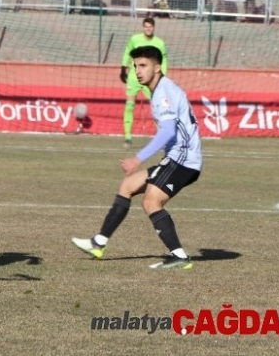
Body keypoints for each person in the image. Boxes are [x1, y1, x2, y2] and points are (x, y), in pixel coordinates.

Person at [71, 45, 202, 270]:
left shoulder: (163, 92)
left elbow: (168, 131)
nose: (138, 71)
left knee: (151, 201)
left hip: (182, 159)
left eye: (143, 65)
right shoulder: (161, 89)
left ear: (158, 67)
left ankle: (179, 256)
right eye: (136, 66)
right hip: (178, 157)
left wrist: (138, 158)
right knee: (128, 186)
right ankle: (98, 243)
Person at [119, 17, 167, 149]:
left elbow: (164, 61)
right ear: (143, 27)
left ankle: (162, 136)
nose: (148, 29)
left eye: (150, 27)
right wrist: (123, 68)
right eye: (146, 27)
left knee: (157, 106)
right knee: (129, 105)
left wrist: (162, 75)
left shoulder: (159, 43)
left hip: (150, 79)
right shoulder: (135, 39)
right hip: (134, 78)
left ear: (153, 28)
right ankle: (128, 137)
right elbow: (127, 53)